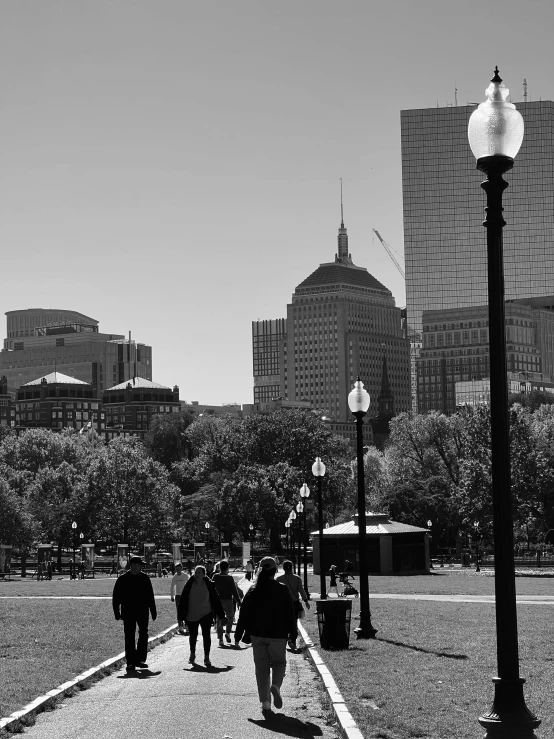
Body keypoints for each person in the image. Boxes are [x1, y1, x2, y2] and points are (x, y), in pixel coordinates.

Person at [235, 556, 297, 714]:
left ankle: (265, 703)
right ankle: (275, 686)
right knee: (279, 664)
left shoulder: (253, 590)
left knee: (261, 669)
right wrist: (293, 634)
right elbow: (290, 613)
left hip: (257, 634)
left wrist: (238, 634)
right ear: (275, 570)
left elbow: (244, 613)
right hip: (278, 634)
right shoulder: (282, 589)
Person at [112, 555, 157, 672]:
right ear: (134, 565)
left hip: (142, 611)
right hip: (128, 612)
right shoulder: (122, 579)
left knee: (143, 634)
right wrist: (116, 612)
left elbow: (150, 596)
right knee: (129, 636)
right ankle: (130, 662)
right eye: (140, 565)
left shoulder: (145, 578)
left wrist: (153, 610)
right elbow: (116, 597)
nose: (141, 567)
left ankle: (140, 659)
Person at [177, 565, 226, 667]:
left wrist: (222, 616)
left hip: (206, 613)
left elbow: (216, 600)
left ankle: (206, 657)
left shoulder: (209, 585)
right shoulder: (189, 585)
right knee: (193, 635)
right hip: (192, 614)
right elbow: (182, 601)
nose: (197, 574)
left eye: (199, 572)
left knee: (206, 635)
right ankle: (192, 654)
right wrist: (180, 618)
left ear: (204, 574)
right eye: (196, 572)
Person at [276, 560, 310, 650]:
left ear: (283, 568)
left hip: (282, 605)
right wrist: (306, 601)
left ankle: (284, 638)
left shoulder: (279, 579)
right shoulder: (297, 578)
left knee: (283, 622)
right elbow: (301, 591)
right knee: (294, 622)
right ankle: (292, 640)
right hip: (294, 604)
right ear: (292, 568)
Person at [212, 559, 243, 646]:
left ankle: (221, 639)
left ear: (220, 567)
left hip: (218, 601)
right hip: (228, 600)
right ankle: (228, 632)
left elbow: (211, 588)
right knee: (230, 617)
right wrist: (239, 601)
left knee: (219, 619)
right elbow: (234, 590)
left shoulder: (215, 576)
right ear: (227, 568)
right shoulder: (229, 578)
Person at [170, 562, 190, 635]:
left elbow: (189, 585)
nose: (178, 570)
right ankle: (180, 626)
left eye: (179, 569)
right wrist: (172, 596)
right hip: (178, 596)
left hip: (185, 595)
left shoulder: (185, 576)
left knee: (186, 610)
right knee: (179, 611)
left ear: (181, 568)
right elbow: (172, 587)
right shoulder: (175, 577)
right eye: (176, 569)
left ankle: (187, 625)